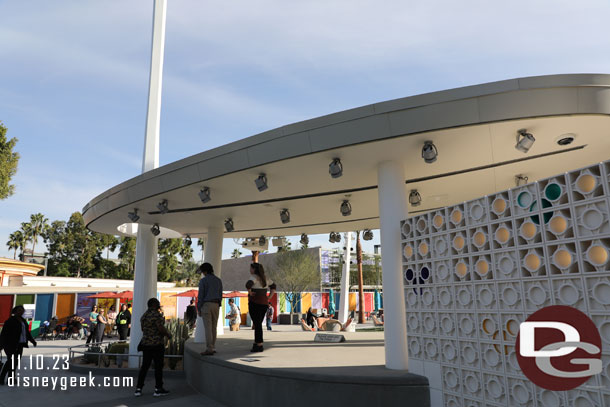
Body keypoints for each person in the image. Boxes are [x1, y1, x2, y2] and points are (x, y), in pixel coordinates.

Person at [134, 298, 171, 397]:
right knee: (158, 367)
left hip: (146, 344)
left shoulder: (144, 316)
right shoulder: (156, 315)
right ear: (154, 304)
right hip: (156, 344)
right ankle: (158, 388)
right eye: (158, 303)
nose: (159, 305)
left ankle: (138, 388)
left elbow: (142, 329)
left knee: (145, 367)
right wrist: (168, 334)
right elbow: (160, 328)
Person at [0, 305, 37, 385]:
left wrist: (32, 341)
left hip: (20, 344)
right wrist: (1, 345)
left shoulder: (23, 321)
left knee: (14, 362)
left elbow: (26, 333)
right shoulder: (10, 321)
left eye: (22, 310)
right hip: (11, 344)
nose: (21, 311)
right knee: (11, 361)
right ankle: (3, 378)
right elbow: (4, 334)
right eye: (19, 310)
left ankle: (10, 379)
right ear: (15, 311)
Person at [246, 263, 276, 352]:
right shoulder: (266, 278)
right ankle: (256, 342)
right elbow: (273, 286)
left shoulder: (254, 277)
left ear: (254, 269)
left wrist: (250, 292)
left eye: (251, 268)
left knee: (257, 324)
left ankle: (259, 344)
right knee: (258, 323)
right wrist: (270, 296)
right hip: (264, 303)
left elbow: (248, 284)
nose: (250, 270)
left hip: (255, 303)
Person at [197, 262, 223, 356]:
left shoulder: (203, 281)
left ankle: (209, 348)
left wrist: (199, 308)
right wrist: (219, 304)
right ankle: (213, 346)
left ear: (205, 271)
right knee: (214, 327)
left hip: (206, 304)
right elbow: (220, 294)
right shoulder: (218, 280)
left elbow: (201, 295)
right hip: (216, 304)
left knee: (208, 327)